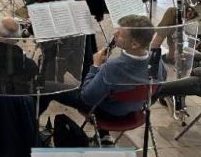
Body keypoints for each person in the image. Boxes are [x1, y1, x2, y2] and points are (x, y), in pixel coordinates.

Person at [41, 15, 164, 144]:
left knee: (47, 86)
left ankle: (29, 129)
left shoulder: (112, 68)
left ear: (134, 44)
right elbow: (157, 90)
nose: (114, 33)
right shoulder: (157, 62)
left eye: (120, 34)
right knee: (105, 88)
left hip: (107, 114)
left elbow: (87, 98)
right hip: (135, 111)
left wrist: (95, 66)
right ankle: (103, 135)